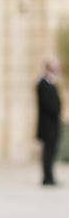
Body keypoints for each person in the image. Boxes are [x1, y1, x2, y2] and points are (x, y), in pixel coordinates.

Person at [36, 59, 63, 187]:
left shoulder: (52, 83)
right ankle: (47, 177)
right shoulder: (42, 83)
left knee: (52, 151)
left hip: (53, 124)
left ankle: (50, 176)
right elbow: (48, 104)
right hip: (47, 125)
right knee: (48, 152)